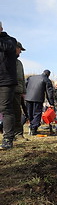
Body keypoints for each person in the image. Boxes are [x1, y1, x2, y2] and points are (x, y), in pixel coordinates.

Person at [0, 21, 17, 150]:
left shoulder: (10, 40)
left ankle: (8, 139)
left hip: (6, 80)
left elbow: (8, 47)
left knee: (6, 108)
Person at [25, 70, 55, 135]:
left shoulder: (31, 77)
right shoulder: (46, 80)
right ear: (48, 75)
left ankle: (21, 128)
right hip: (38, 98)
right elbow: (49, 93)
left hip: (28, 98)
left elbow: (25, 85)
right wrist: (51, 103)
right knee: (37, 114)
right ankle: (33, 128)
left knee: (28, 113)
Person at [13, 42, 28, 140]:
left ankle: (18, 134)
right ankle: (9, 134)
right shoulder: (4, 59)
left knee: (17, 112)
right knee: (7, 113)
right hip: (5, 89)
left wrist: (23, 91)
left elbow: (22, 78)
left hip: (17, 91)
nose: (20, 52)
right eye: (20, 49)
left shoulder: (19, 63)